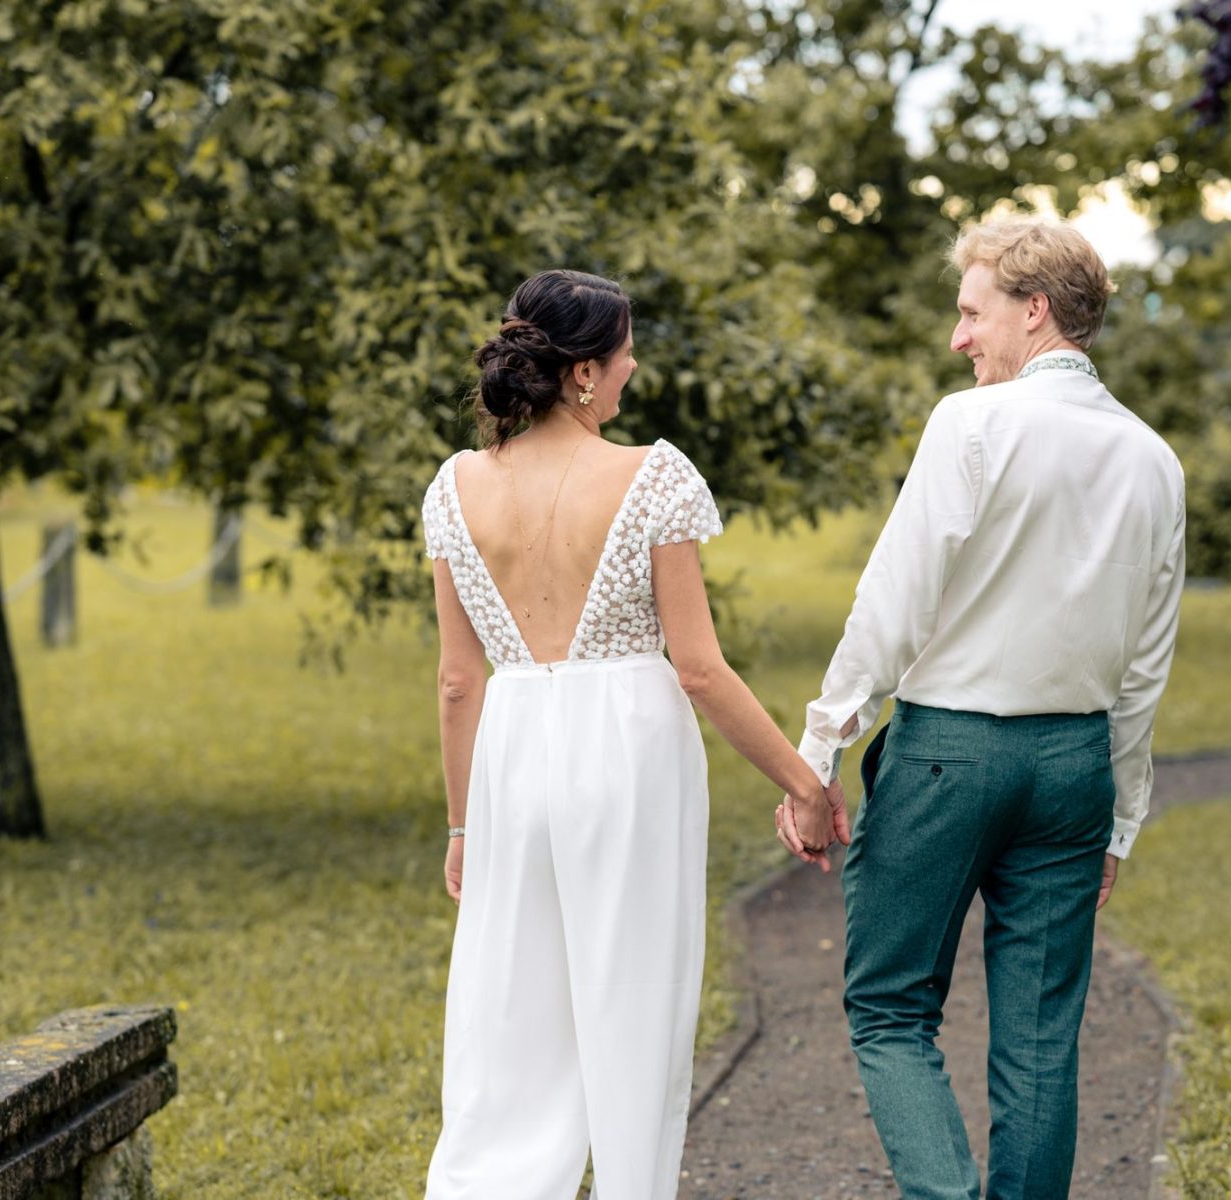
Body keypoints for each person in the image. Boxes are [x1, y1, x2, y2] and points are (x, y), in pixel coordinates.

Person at [778, 217, 1186, 1198]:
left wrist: (817, 751)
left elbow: (891, 603)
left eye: (971, 313)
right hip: (1073, 770)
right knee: (1042, 1036)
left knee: (887, 1005)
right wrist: (1117, 824)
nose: (958, 339)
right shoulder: (1153, 461)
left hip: (946, 759)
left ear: (1033, 310)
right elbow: (1143, 669)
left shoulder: (971, 425)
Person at [421, 268, 833, 1199]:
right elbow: (698, 667)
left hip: (512, 751)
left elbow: (457, 681)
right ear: (581, 374)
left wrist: (461, 829)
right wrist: (803, 781)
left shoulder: (454, 489)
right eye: (623, 353)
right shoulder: (652, 476)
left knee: (510, 1019)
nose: (633, 367)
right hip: (628, 753)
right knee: (632, 1002)